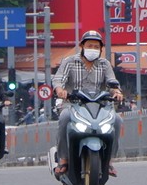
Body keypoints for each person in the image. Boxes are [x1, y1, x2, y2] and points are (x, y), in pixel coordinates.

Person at [53, 31, 123, 176]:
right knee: (64, 118)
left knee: (117, 120)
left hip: (99, 106)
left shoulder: (105, 64)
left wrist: (117, 93)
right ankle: (64, 158)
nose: (93, 48)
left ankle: (109, 160)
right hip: (73, 105)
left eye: (96, 46)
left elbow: (112, 84)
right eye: (90, 45)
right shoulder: (69, 61)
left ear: (101, 49)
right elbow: (58, 79)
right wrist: (60, 90)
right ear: (82, 46)